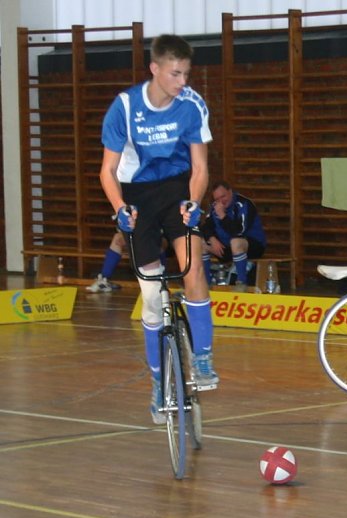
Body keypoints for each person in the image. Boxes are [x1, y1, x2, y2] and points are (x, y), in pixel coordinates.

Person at [99, 34, 218, 425]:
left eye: (186, 73)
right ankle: (157, 382)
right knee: (151, 295)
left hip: (178, 191)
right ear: (155, 69)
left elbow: (200, 168)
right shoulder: (126, 107)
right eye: (175, 73)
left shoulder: (191, 105)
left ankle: (201, 357)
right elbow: (108, 171)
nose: (182, 81)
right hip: (137, 196)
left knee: (193, 265)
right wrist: (120, 210)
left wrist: (195, 203)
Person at [201, 180, 267, 291]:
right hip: (226, 247)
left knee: (235, 241)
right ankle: (205, 283)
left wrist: (223, 216)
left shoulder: (244, 204)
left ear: (230, 192)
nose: (221, 201)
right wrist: (212, 239)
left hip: (252, 245)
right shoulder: (215, 207)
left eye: (223, 196)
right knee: (200, 242)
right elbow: (205, 227)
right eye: (217, 199)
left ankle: (241, 282)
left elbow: (239, 231)